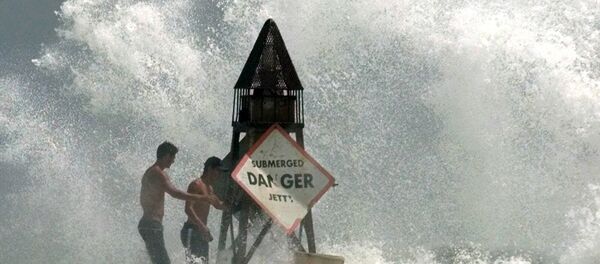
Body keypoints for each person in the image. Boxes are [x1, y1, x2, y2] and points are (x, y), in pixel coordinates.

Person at [138, 142, 218, 264]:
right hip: (151, 225)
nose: (173, 161)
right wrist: (203, 198)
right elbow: (175, 193)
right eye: (172, 157)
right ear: (166, 156)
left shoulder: (153, 171)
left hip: (150, 225)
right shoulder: (157, 173)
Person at [180, 156, 227, 263]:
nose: (219, 174)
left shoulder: (210, 188)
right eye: (217, 171)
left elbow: (218, 205)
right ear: (210, 168)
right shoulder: (196, 185)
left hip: (201, 233)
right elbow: (188, 209)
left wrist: (233, 204)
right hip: (191, 231)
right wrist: (202, 226)